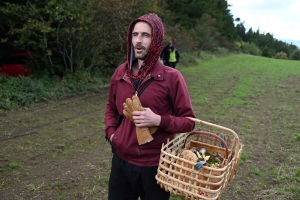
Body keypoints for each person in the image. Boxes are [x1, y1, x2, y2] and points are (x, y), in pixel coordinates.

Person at [104, 13, 195, 200]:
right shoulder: (121, 73)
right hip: (121, 162)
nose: (138, 41)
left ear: (156, 40)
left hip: (155, 166)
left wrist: (158, 120)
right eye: (135, 34)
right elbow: (111, 108)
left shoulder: (172, 77)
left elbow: (188, 122)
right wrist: (112, 134)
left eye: (145, 35)